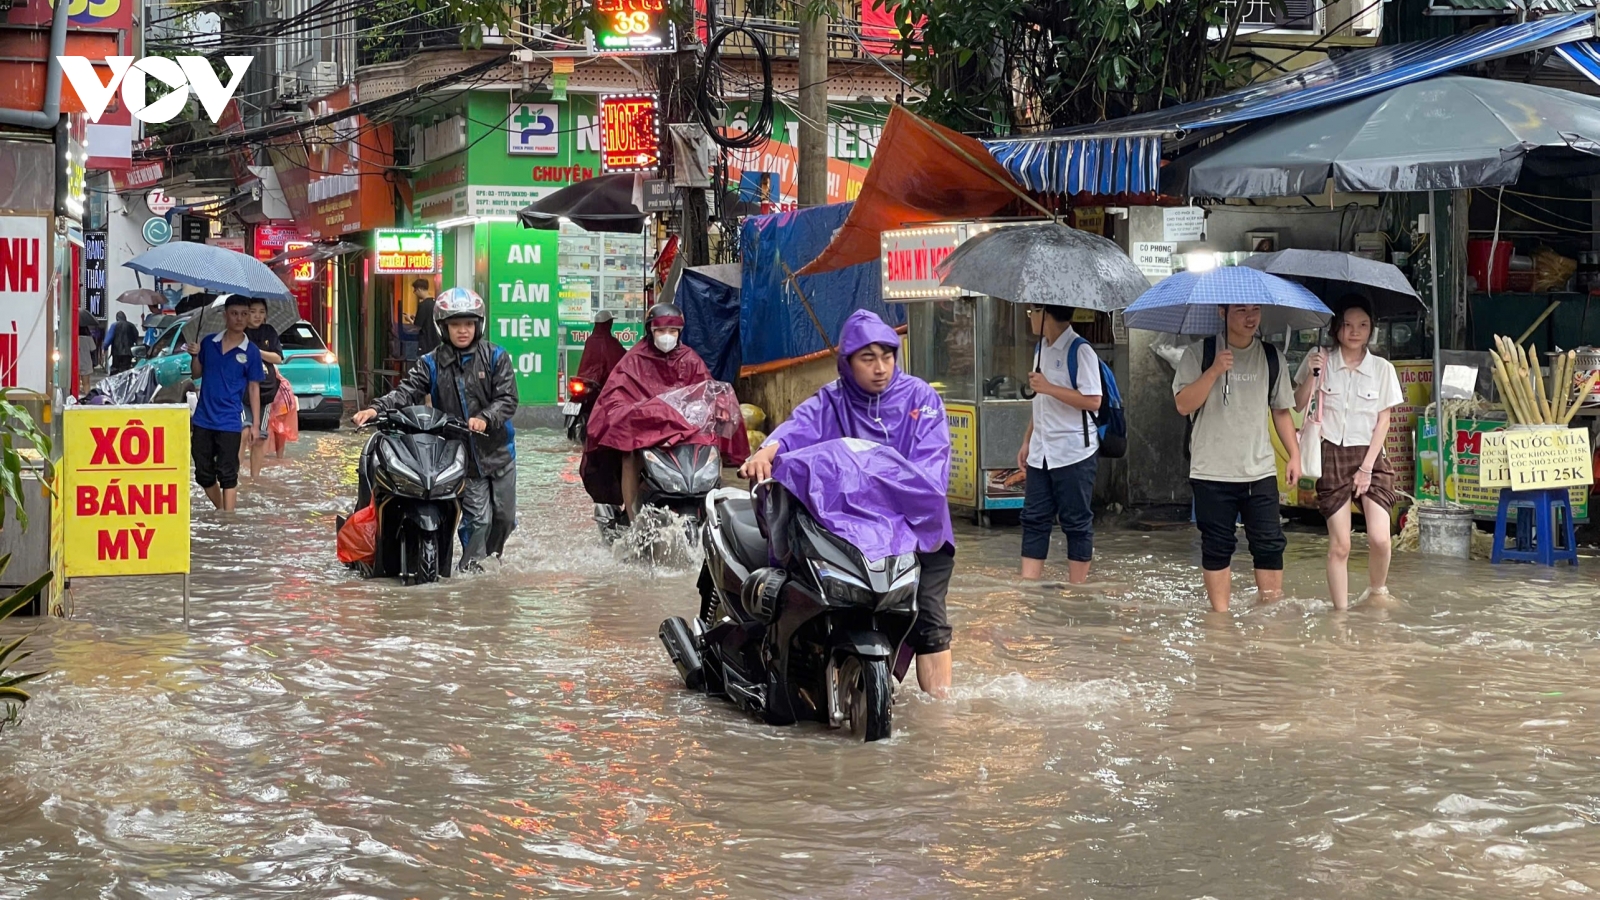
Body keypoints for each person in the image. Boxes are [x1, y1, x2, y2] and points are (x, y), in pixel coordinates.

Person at [741, 310, 956, 697]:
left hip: (916, 527)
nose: (880, 368)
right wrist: (767, 452)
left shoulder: (920, 399)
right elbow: (797, 429)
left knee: (930, 621)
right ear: (847, 362)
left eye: (887, 356)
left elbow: (931, 471)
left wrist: (874, 474)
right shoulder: (832, 401)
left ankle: (939, 717)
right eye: (868, 358)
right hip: (853, 528)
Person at [353, 288, 518, 571]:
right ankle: (472, 571)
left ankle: (492, 562)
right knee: (479, 520)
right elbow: (406, 391)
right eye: (455, 325)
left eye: (468, 324)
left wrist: (486, 418)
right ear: (443, 328)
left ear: (478, 325)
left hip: (499, 452)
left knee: (504, 519)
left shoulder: (495, 356)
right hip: (460, 456)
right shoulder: (430, 362)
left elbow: (508, 398)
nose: (463, 331)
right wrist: (376, 409)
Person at [1173, 304, 1301, 612]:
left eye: (1255, 310)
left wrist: (1295, 454)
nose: (1250, 317)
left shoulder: (1272, 357)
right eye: (1241, 310)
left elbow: (1281, 411)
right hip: (1212, 471)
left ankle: (1270, 614)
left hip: (1259, 471)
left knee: (1270, 545)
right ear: (1222, 312)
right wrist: (1214, 370)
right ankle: (1220, 621)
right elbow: (1182, 404)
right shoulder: (1199, 353)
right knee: (1217, 547)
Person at [1293, 298, 1403, 611]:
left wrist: (1367, 468)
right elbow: (1298, 404)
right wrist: (1313, 375)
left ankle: (1377, 591)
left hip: (1370, 457)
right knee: (1341, 544)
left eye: (1363, 325)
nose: (1355, 331)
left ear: (1372, 330)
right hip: (1331, 455)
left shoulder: (1382, 369)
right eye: (1348, 324)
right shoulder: (1319, 360)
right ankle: (1340, 614)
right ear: (1336, 328)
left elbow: (1384, 420)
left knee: (1380, 538)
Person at [583, 302, 717, 516]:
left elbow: (706, 391)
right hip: (646, 428)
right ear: (650, 331)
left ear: (679, 332)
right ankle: (632, 516)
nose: (667, 335)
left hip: (682, 429)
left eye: (672, 331)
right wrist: (636, 412)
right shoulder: (634, 359)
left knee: (709, 446)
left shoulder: (690, 359)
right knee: (630, 455)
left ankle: (708, 511)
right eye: (661, 330)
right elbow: (615, 395)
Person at [1017, 305, 1102, 584]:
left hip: (1073, 451)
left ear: (1045, 314)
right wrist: (1028, 439)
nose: (1029, 316)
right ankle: (1029, 588)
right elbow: (1040, 403)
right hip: (1041, 452)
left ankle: (1077, 591)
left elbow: (1093, 400)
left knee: (1076, 522)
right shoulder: (1040, 348)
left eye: (1032, 311)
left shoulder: (1080, 350)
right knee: (1033, 519)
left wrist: (1048, 386)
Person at [189, 295, 265, 512]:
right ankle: (223, 510)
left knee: (228, 474)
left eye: (244, 314)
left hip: (230, 421)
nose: (239, 318)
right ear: (225, 316)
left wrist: (256, 425)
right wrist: (194, 356)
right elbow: (197, 374)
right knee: (203, 473)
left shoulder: (251, 352)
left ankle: (229, 522)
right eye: (234, 313)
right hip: (203, 418)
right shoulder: (208, 343)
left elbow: (253, 388)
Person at [242, 298, 290, 474]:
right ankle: (235, 477)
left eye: (261, 312)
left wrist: (257, 352)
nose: (257, 315)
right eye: (253, 311)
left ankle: (254, 478)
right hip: (242, 392)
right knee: (244, 432)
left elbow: (277, 357)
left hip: (266, 391)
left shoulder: (269, 332)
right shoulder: (239, 332)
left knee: (260, 437)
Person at [576, 310, 626, 393]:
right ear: (608, 324)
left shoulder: (590, 340)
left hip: (584, 381)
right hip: (601, 384)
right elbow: (623, 358)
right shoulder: (610, 342)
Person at [413, 279, 438, 358]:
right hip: (435, 341)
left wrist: (409, 319)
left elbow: (417, 326)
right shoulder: (436, 303)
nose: (415, 293)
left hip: (425, 342)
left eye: (415, 290)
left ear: (420, 289)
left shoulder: (423, 305)